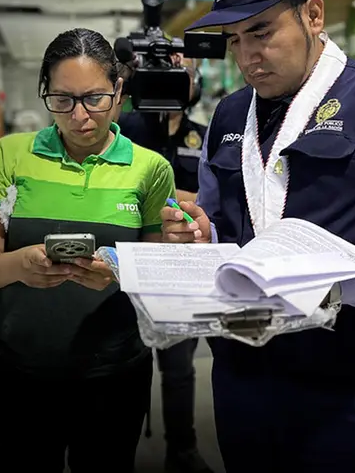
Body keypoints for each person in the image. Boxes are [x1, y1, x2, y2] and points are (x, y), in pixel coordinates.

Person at [159, 0, 355, 472]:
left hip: (349, 390)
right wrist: (198, 236)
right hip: (242, 384)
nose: (247, 56)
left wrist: (324, 279)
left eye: (262, 32)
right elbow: (217, 225)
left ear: (313, 16)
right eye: (235, 40)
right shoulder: (226, 115)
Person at [0, 28, 176, 473]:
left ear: (118, 91)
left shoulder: (150, 169)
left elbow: (157, 271)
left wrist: (115, 271)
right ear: (46, 94)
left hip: (115, 372)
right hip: (18, 371)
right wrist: (18, 264)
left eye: (94, 98)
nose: (79, 115)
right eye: (62, 100)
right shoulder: (10, 155)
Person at [117, 56, 213, 473]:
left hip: (179, 270)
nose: (176, 84)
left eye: (185, 76)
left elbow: (212, 200)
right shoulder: (126, 132)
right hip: (127, 261)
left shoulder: (205, 136)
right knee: (124, 367)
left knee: (178, 367)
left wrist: (177, 199)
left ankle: (183, 448)